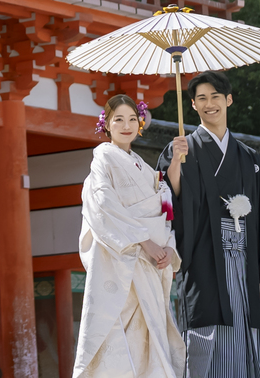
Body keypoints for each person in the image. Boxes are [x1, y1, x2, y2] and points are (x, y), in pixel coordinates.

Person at [157, 71, 260, 378]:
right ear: (193, 105)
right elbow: (165, 200)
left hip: (244, 258)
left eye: (215, 97)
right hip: (203, 258)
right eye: (201, 98)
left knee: (243, 331)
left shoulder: (248, 157)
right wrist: (174, 162)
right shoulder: (183, 150)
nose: (209, 104)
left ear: (228, 100)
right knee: (205, 329)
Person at [73, 94, 185, 377]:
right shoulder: (102, 162)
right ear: (107, 126)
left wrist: (168, 246)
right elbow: (103, 206)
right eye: (118, 119)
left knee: (150, 337)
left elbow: (165, 208)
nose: (126, 125)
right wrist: (143, 240)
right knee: (120, 336)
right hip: (123, 262)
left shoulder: (143, 167)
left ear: (141, 123)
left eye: (132, 119)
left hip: (149, 263)